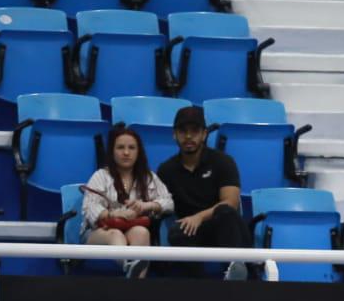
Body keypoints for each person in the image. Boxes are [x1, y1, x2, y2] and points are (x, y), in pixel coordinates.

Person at [155, 105, 254, 279]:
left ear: (204, 134)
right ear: (174, 135)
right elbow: (161, 203)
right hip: (191, 232)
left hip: (222, 227)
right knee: (177, 230)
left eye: (194, 131)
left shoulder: (223, 162)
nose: (188, 136)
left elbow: (231, 202)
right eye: (183, 131)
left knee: (225, 212)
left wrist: (199, 217)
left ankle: (234, 272)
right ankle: (198, 286)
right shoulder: (166, 170)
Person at [82, 125, 173, 274]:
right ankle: (129, 267)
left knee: (142, 232)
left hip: (132, 227)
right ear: (112, 151)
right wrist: (111, 214)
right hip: (100, 231)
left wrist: (146, 206)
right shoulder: (101, 176)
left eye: (131, 148)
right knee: (115, 234)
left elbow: (169, 203)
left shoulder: (148, 177)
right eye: (120, 148)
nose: (126, 152)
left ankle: (136, 283)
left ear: (138, 152)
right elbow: (89, 207)